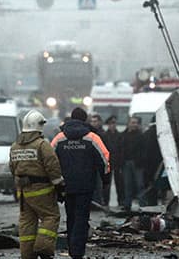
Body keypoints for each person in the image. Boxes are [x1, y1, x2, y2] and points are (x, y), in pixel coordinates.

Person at [51, 108, 110, 259]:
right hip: (85, 185)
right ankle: (77, 251)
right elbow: (104, 159)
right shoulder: (92, 137)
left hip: (66, 185)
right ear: (85, 120)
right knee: (82, 217)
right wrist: (105, 180)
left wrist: (54, 183)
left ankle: (72, 247)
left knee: (70, 216)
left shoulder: (59, 138)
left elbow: (50, 161)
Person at [9, 109, 64, 259]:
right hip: (41, 190)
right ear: (39, 125)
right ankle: (43, 248)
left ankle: (27, 254)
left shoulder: (15, 146)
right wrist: (59, 186)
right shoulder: (42, 145)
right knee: (50, 217)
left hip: (23, 192)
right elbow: (52, 166)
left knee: (27, 223)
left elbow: (12, 168)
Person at [120, 116, 148, 211]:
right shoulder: (123, 135)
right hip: (126, 162)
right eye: (133, 122)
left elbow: (144, 150)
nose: (134, 124)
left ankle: (142, 205)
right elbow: (120, 149)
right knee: (128, 184)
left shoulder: (141, 136)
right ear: (129, 123)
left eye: (136, 123)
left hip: (137, 163)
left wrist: (141, 160)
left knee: (140, 184)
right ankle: (127, 204)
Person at [104, 115, 123, 206]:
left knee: (119, 183)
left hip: (117, 162)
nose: (113, 125)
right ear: (108, 124)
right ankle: (106, 202)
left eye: (114, 123)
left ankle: (120, 202)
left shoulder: (120, 135)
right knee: (107, 184)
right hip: (108, 162)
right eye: (111, 123)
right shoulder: (104, 135)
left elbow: (122, 149)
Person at [90, 114, 107, 206]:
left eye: (95, 121)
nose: (93, 123)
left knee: (99, 184)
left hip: (99, 163)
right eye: (92, 121)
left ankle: (98, 202)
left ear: (100, 122)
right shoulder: (89, 134)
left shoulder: (103, 134)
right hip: (90, 164)